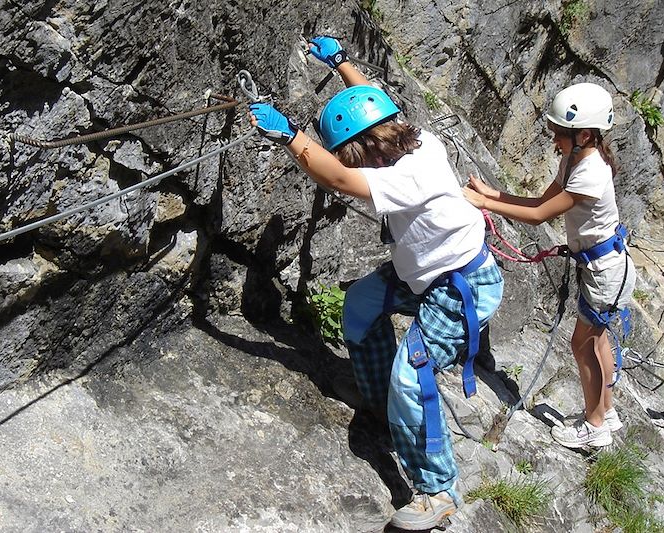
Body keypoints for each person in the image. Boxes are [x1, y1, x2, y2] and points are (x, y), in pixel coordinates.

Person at [249, 36, 504, 530]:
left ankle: (438, 491)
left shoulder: (406, 177)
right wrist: (341, 61)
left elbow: (339, 180)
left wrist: (290, 136)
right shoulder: (416, 137)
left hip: (459, 287)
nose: (347, 159)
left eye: (349, 152)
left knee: (414, 375)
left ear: (364, 151)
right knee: (361, 307)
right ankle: (382, 408)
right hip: (427, 272)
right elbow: (372, 104)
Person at [463, 82, 636, 449]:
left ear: (584, 134)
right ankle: (606, 410)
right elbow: (540, 200)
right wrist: (492, 194)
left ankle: (594, 426)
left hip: (607, 273)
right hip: (603, 268)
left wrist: (483, 203)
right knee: (597, 340)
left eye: (559, 133)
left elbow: (539, 216)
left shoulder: (591, 172)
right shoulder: (574, 159)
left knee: (582, 346)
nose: (554, 139)